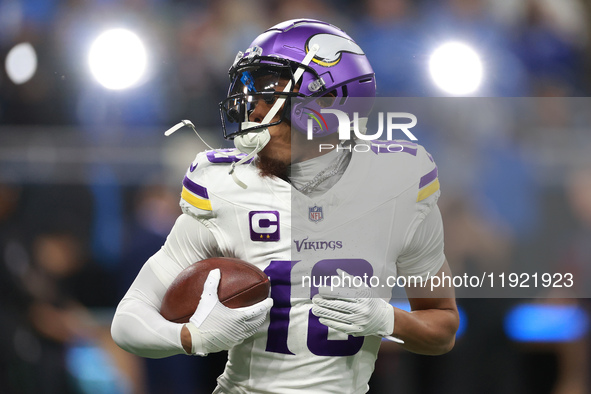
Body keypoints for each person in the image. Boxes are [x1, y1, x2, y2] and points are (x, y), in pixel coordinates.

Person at [112, 19, 459, 393]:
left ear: (328, 101)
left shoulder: (396, 187)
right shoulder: (228, 188)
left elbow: (442, 328)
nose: (253, 112)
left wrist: (388, 320)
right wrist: (190, 337)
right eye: (250, 94)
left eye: (270, 95)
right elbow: (128, 320)